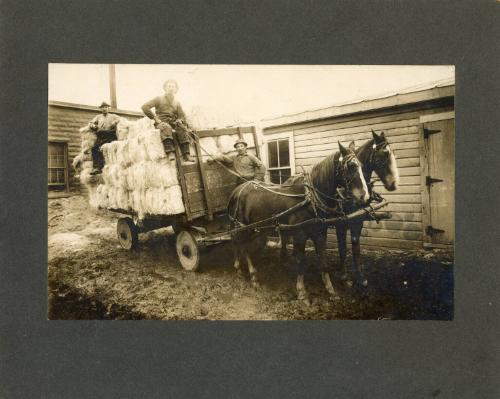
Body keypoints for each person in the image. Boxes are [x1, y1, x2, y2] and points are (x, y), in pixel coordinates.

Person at [141, 80, 195, 163]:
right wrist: (155, 118)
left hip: (173, 122)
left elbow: (181, 115)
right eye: (169, 86)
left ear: (176, 89)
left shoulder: (177, 102)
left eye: (173, 86)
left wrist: (179, 120)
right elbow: (145, 107)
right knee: (166, 127)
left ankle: (186, 155)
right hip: (161, 122)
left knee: (182, 129)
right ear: (165, 88)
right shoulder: (158, 99)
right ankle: (170, 152)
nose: (171, 88)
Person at [89, 101, 120, 175]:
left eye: (106, 107)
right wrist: (93, 125)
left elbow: (120, 119)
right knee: (94, 148)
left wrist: (114, 123)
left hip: (110, 135)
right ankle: (97, 167)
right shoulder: (98, 117)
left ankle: (113, 165)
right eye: (103, 108)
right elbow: (91, 123)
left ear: (108, 108)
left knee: (109, 148)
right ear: (101, 109)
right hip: (101, 135)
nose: (104, 109)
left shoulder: (113, 116)